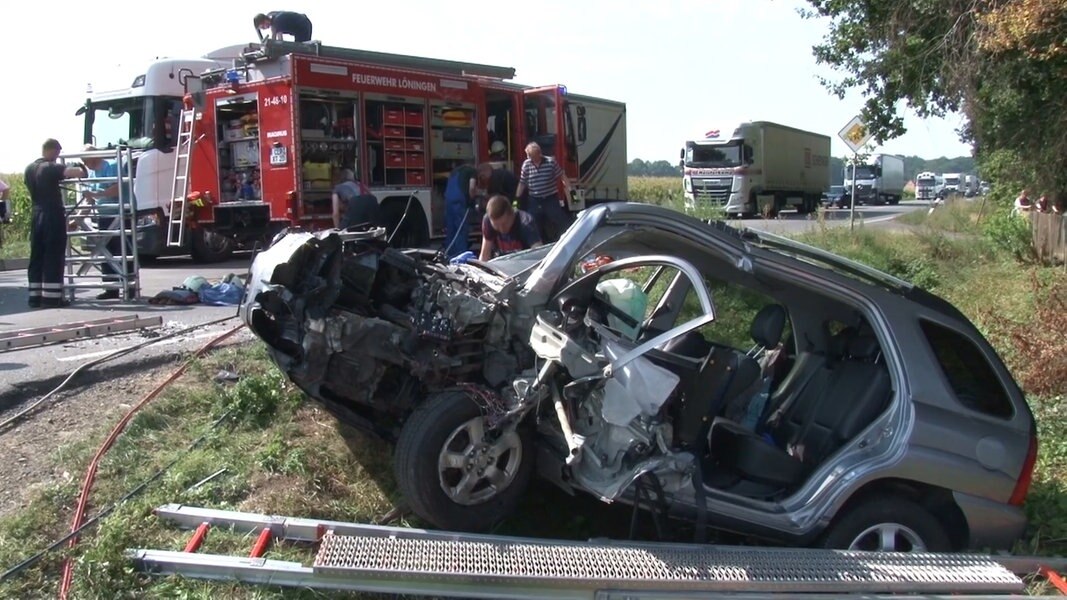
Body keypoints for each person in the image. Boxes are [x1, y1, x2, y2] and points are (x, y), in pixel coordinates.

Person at [24, 139, 88, 308]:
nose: (58, 157)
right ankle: (52, 298)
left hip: (36, 214)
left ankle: (34, 297)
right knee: (53, 255)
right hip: (52, 215)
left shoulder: (29, 169)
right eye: (58, 154)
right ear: (53, 151)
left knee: (37, 256)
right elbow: (78, 173)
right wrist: (81, 166)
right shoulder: (50, 167)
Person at [82, 146, 135, 300]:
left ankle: (129, 285)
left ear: (94, 156)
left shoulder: (112, 166)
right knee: (106, 251)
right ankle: (111, 287)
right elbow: (89, 198)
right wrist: (77, 217)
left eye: (85, 159)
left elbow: (116, 188)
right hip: (104, 215)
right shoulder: (92, 173)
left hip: (119, 214)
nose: (84, 163)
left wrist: (96, 194)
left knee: (123, 249)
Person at [514, 141, 574, 244]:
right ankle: (537, 245)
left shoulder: (551, 162)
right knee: (532, 223)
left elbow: (562, 177)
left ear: (539, 154)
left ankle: (569, 240)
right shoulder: (526, 165)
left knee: (561, 221)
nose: (529, 159)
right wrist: (516, 200)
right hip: (534, 200)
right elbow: (522, 183)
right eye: (528, 156)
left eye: (532, 156)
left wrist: (572, 192)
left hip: (550, 199)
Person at [478, 194, 542, 262]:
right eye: (496, 225)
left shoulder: (525, 223)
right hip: (500, 265)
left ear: (512, 215)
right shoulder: (487, 221)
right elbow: (484, 255)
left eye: (504, 224)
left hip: (525, 265)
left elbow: (539, 255)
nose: (501, 229)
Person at [442, 163, 479, 259]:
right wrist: (471, 199)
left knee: (451, 229)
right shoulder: (472, 171)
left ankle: (449, 255)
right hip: (460, 201)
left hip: (449, 200)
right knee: (461, 230)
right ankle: (460, 256)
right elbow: (472, 187)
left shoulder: (455, 171)